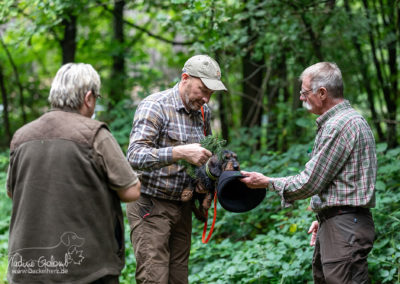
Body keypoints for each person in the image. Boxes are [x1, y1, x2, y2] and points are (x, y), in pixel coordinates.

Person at [241, 62, 376, 283]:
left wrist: (266, 182)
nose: (302, 98)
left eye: (304, 92)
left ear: (322, 93)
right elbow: (339, 182)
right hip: (340, 223)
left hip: (344, 228)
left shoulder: (339, 125)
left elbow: (309, 182)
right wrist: (325, 216)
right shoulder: (345, 121)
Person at [6, 63, 141, 284]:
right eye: (97, 97)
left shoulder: (21, 137)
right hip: (86, 268)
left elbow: (12, 192)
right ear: (88, 98)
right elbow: (131, 191)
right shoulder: (95, 134)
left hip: (27, 267)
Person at [126, 55, 227, 284]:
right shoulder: (155, 106)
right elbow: (134, 156)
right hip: (150, 205)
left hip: (183, 207)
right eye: (203, 90)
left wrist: (212, 177)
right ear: (185, 78)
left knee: (178, 278)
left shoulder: (203, 113)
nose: (206, 99)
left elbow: (206, 155)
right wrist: (180, 152)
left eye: (211, 93)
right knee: (154, 278)